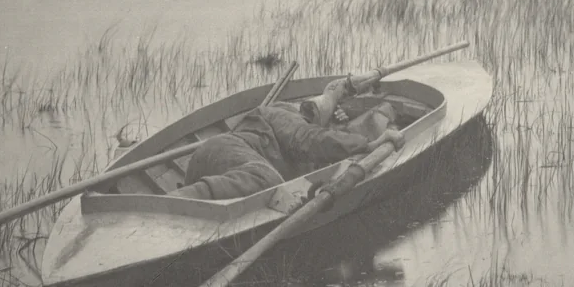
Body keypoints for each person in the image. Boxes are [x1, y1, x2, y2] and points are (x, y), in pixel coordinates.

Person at [169, 78, 404, 201]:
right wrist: (367, 145)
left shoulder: (309, 156)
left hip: (225, 171)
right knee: (269, 180)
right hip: (222, 152)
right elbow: (310, 139)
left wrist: (342, 127)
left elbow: (320, 146)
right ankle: (174, 202)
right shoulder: (282, 113)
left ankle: (191, 203)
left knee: (274, 186)